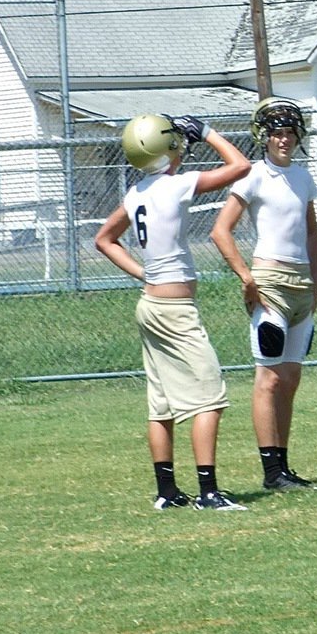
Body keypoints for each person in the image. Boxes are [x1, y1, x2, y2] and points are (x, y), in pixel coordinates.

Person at [95, 112, 251, 510]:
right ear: (166, 147)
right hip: (174, 308)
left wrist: (142, 272)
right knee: (209, 396)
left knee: (162, 402)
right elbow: (241, 166)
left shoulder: (136, 192)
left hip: (150, 302)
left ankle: (166, 492)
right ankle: (208, 492)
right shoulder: (176, 185)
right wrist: (209, 133)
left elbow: (105, 239)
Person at [210, 97, 317, 491]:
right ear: (264, 136)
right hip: (270, 282)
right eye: (277, 132)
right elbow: (220, 229)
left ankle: (285, 467)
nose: (284, 139)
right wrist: (246, 276)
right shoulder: (254, 175)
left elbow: (311, 233)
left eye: (291, 132)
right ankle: (270, 470)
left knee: (290, 378)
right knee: (268, 378)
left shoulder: (304, 178)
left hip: (302, 285)